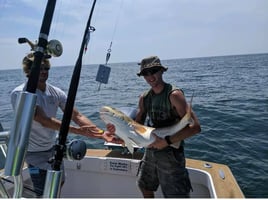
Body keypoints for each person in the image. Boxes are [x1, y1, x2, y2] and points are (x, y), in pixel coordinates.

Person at [10, 53, 119, 197]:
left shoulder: (55, 92)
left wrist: (101, 134)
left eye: (46, 68)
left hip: (54, 149)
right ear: (28, 71)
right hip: (33, 154)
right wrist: (78, 131)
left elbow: (76, 115)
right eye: (39, 68)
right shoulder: (21, 94)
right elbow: (44, 120)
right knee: (43, 191)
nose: (43, 72)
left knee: (58, 183)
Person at [135, 56, 201, 198]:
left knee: (176, 196)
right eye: (145, 73)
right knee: (144, 185)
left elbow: (195, 127)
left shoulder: (174, 95)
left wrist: (166, 142)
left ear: (161, 71)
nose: (150, 76)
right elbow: (137, 124)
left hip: (171, 153)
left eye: (153, 71)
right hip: (151, 149)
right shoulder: (144, 98)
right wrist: (122, 133)